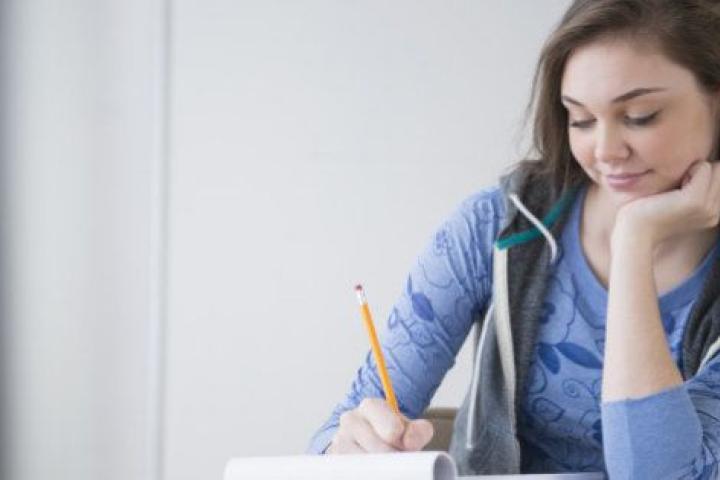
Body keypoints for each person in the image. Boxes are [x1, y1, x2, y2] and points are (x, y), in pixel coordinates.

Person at [308, 0, 720, 477]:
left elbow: (665, 475)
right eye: (580, 119)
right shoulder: (496, 225)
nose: (605, 151)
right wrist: (348, 447)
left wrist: (634, 240)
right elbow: (332, 438)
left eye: (641, 115)